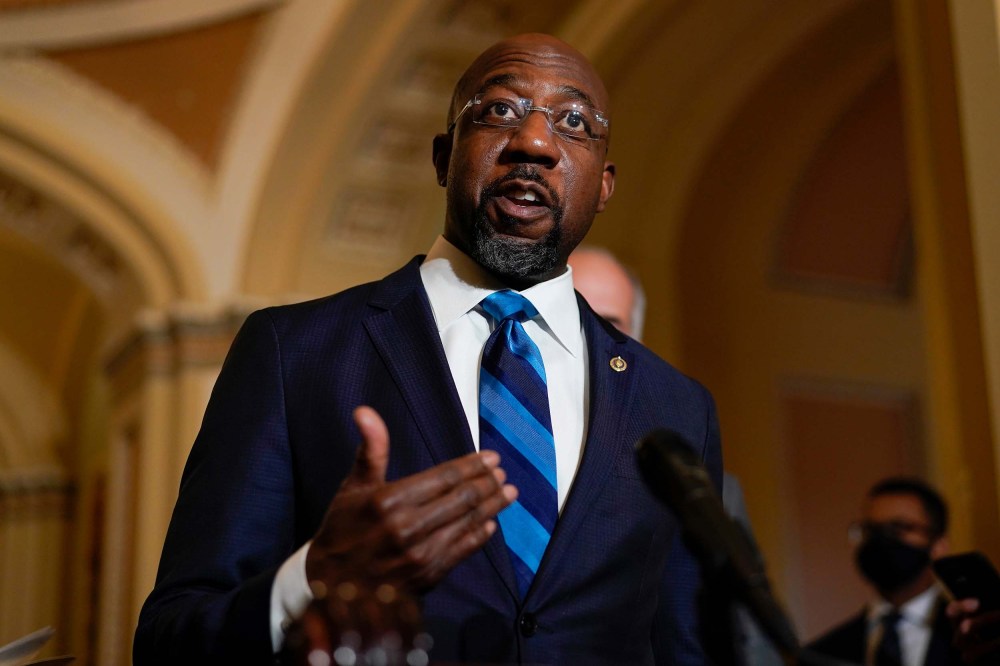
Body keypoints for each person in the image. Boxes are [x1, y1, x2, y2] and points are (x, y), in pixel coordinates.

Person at [133, 33, 722, 665]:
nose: (535, 143)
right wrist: (312, 578)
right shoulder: (291, 353)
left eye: (574, 122)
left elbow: (691, 648)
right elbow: (172, 641)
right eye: (499, 111)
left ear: (604, 187)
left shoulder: (676, 407)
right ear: (443, 157)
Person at [568, 245, 784, 666]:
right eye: (575, 315)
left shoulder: (703, 484)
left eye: (611, 323)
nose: (592, 336)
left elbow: (746, 638)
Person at [806, 477, 962, 665]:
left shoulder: (977, 637)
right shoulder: (822, 654)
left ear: (939, 546)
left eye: (899, 528)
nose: (882, 540)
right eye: (872, 530)